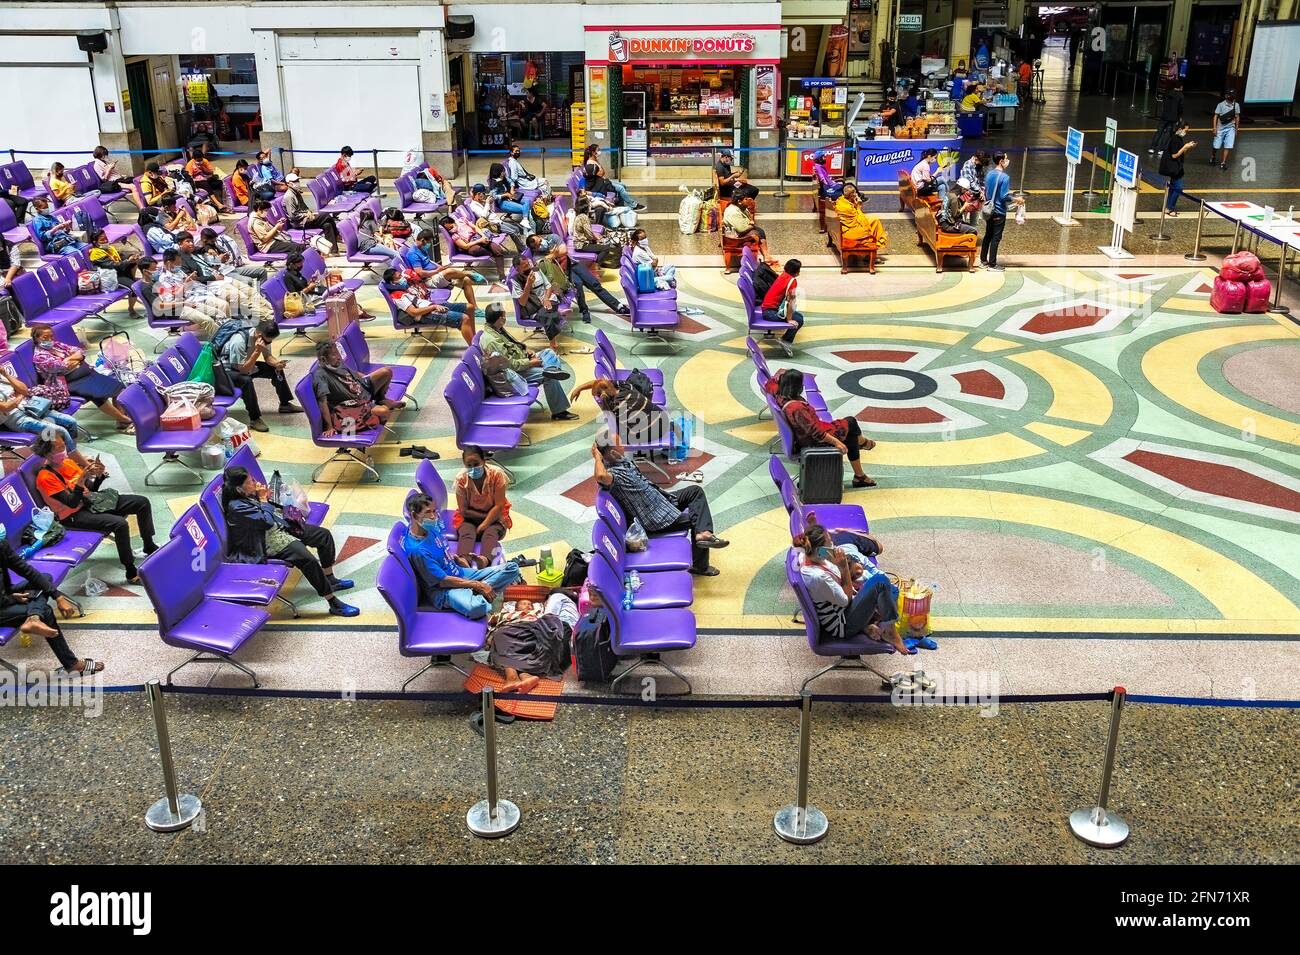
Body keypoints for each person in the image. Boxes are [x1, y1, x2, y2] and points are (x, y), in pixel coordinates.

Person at [221, 466, 358, 616]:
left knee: (323, 536)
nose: (255, 482)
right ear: (239, 489)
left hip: (279, 527)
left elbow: (268, 513)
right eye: (250, 481)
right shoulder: (236, 507)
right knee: (308, 559)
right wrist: (263, 499)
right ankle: (332, 602)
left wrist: (269, 496)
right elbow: (265, 522)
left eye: (252, 478)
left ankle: (330, 578)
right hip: (265, 541)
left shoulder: (248, 494)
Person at [592, 432, 728, 576]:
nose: (624, 446)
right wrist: (597, 456)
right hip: (656, 519)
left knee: (695, 491)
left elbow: (604, 451)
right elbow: (600, 476)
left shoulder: (619, 460)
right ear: (613, 453)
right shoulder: (615, 474)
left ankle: (703, 534)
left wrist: (598, 451)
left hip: (662, 502)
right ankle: (701, 563)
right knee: (698, 519)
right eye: (620, 444)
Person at [32, 435, 157, 583]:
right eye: (59, 448)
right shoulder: (45, 478)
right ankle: (130, 571)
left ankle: (148, 545)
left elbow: (90, 490)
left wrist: (99, 476)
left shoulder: (68, 463)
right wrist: (80, 482)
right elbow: (71, 503)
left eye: (64, 445)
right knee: (119, 524)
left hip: (89, 502)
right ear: (48, 454)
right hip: (72, 516)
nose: (64, 450)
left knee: (142, 502)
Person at [794, 522, 908, 654]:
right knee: (881, 582)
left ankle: (870, 624)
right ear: (820, 551)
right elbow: (846, 600)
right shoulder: (818, 577)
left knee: (892, 589)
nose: (833, 546)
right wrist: (844, 568)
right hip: (843, 624)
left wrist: (813, 524)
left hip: (844, 606)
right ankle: (889, 631)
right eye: (830, 543)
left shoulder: (808, 555)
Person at [403, 493, 522, 619]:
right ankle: (478, 590)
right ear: (414, 515)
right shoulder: (418, 550)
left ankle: (478, 591)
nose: (433, 516)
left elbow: (441, 549)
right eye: (428, 512)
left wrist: (457, 560)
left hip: (460, 572)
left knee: (512, 568)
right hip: (445, 590)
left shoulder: (431, 527)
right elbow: (442, 582)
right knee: (477, 607)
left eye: (434, 511)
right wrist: (476, 584)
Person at [0, 532, 99, 675]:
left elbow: (26, 570)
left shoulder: (1, 545)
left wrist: (57, 596)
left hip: (4, 595)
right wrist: (12, 599)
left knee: (44, 579)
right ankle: (72, 664)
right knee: (45, 611)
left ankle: (33, 617)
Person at [768, 369, 876, 488]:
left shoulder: (779, 395)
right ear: (797, 386)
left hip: (804, 435)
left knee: (851, 430)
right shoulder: (797, 409)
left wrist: (782, 375)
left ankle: (860, 469)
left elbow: (768, 385)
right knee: (851, 429)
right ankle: (863, 448)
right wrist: (837, 443)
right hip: (813, 441)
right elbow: (816, 432)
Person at [29, 323, 134, 431]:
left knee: (119, 387)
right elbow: (62, 366)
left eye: (51, 336)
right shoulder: (40, 356)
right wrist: (75, 360)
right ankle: (125, 420)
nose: (50, 339)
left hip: (87, 374)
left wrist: (70, 360)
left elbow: (79, 351)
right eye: (45, 337)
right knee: (97, 395)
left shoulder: (56, 345)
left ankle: (121, 421)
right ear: (37, 339)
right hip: (68, 383)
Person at [480, 302, 575, 421]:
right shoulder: (492, 341)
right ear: (500, 319)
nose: (505, 318)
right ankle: (559, 412)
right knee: (548, 377)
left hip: (521, 361)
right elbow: (509, 365)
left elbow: (513, 346)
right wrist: (530, 363)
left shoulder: (496, 329)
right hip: (511, 375)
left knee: (548, 353)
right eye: (504, 315)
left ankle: (551, 369)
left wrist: (526, 351)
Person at [218, 318, 301, 432]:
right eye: (267, 341)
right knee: (246, 381)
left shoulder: (264, 339)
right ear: (259, 335)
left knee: (275, 369)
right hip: (227, 372)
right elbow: (243, 370)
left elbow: (268, 357)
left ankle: (285, 404)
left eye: (270, 342)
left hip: (246, 364)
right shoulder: (239, 341)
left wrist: (276, 364)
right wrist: (257, 351)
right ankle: (255, 418)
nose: (268, 343)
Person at [311, 340, 403, 437]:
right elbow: (322, 402)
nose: (338, 356)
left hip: (361, 387)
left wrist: (370, 380)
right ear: (323, 359)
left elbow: (356, 374)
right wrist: (329, 426)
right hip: (355, 403)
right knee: (384, 412)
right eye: (334, 354)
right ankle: (374, 413)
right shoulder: (320, 376)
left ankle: (382, 400)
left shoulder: (337, 363)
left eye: (338, 352)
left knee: (386, 371)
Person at [0, 365, 88, 466]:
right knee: (60, 430)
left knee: (71, 421)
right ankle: (83, 463)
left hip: (31, 408)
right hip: (17, 419)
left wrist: (6, 374)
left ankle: (71, 455)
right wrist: (19, 396)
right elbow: (7, 407)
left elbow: (24, 389)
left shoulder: (2, 377)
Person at [526, 236, 626, 321]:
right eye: (537, 246)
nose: (540, 245)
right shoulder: (537, 256)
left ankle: (618, 306)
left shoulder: (553, 237)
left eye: (540, 241)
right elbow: (545, 264)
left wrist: (551, 256)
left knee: (594, 284)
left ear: (540, 237)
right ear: (534, 249)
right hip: (563, 273)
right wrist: (554, 255)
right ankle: (584, 310)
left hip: (573, 264)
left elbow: (564, 251)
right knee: (578, 285)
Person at [176, 233, 272, 321]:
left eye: (192, 241)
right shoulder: (181, 260)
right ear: (180, 244)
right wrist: (214, 278)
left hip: (223, 278)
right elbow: (194, 279)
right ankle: (267, 318)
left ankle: (271, 311)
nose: (191, 244)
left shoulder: (195, 251)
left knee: (251, 292)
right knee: (242, 298)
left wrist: (211, 252)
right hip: (212, 285)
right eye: (187, 242)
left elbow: (204, 248)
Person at [451, 445, 512, 570]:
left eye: (476, 463)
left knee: (490, 533)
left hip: (495, 516)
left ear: (484, 461)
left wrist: (485, 524)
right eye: (469, 465)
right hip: (469, 517)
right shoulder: (461, 480)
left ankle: (484, 560)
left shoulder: (497, 475)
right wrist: (484, 519)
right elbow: (464, 511)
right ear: (464, 464)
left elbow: (499, 505)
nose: (473, 468)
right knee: (467, 533)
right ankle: (464, 560)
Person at [382, 267, 473, 344]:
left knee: (470, 307)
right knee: (464, 318)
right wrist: (433, 307)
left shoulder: (406, 287)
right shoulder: (398, 295)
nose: (403, 277)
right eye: (399, 277)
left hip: (429, 305)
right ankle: (474, 349)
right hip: (423, 314)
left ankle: (473, 337)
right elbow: (414, 312)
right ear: (392, 283)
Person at [400, 229, 482, 313]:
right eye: (429, 242)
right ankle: (468, 273)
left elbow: (429, 262)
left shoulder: (421, 249)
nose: (429, 244)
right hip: (428, 281)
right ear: (423, 240)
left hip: (436, 274)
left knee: (466, 280)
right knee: (449, 272)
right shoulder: (413, 254)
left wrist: (440, 267)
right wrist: (437, 270)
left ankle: (475, 309)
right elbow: (420, 273)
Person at [569, 376, 667, 445]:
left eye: (598, 396)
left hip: (656, 430)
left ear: (604, 393)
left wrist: (604, 400)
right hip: (662, 418)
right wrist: (579, 388)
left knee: (607, 441)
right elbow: (600, 382)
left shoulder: (619, 406)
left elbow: (610, 416)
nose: (598, 399)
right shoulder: (624, 385)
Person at [507, 254, 570, 352]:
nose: (529, 268)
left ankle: (556, 315)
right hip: (533, 308)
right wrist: (528, 285)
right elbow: (522, 303)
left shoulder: (536, 270)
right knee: (548, 316)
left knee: (548, 308)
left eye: (528, 264)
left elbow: (548, 286)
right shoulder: (515, 281)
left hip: (548, 300)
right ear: (517, 269)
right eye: (525, 267)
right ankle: (557, 317)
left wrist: (546, 298)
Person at [980, 152, 1021, 271]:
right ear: (1001, 162)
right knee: (996, 238)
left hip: (989, 210)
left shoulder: (989, 174)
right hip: (999, 211)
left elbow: (987, 190)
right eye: (1006, 159)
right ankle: (992, 265)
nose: (1008, 161)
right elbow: (1004, 197)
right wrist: (1016, 199)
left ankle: (983, 261)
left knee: (988, 235)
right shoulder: (1005, 177)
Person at [282, 173, 340, 253]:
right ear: (289, 184)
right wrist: (306, 215)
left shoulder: (297, 193)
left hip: (306, 218)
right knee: (325, 215)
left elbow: (304, 207)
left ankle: (333, 251)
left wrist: (309, 212)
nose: (297, 182)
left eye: (297, 180)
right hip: (300, 222)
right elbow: (293, 215)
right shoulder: (289, 197)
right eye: (295, 181)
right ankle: (337, 234)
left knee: (327, 225)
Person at [87, 229, 142, 313]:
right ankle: (131, 309)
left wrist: (131, 257)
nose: (105, 240)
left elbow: (122, 257)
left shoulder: (110, 248)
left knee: (134, 262)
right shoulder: (95, 254)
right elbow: (111, 265)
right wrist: (127, 261)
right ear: (95, 242)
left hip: (118, 271)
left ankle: (131, 278)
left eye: (106, 238)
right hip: (110, 277)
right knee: (134, 287)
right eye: (102, 239)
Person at [759, 259, 805, 356]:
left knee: (798, 316)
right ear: (797, 270)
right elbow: (790, 302)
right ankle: (785, 341)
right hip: (770, 313)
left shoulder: (783, 275)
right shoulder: (792, 281)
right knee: (799, 319)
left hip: (767, 309)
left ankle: (785, 340)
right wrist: (789, 320)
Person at [581, 145, 646, 211]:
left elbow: (602, 172)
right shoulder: (590, 163)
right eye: (598, 150)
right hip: (600, 184)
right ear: (593, 152)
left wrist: (601, 169)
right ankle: (633, 205)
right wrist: (601, 170)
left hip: (603, 180)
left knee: (622, 185)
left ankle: (620, 205)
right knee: (621, 188)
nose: (599, 151)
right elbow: (601, 174)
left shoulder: (595, 160)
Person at [439, 214, 507, 275]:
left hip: (480, 237)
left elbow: (475, 227)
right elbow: (465, 246)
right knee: (474, 250)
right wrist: (479, 241)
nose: (451, 230)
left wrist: (483, 236)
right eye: (449, 229)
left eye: (451, 227)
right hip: (472, 245)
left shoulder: (462, 221)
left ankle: (501, 274)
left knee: (498, 250)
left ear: (453, 222)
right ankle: (490, 253)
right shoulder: (455, 236)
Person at [199, 226, 267, 284]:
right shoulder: (203, 253)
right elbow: (211, 271)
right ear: (205, 240)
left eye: (215, 240)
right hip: (224, 273)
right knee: (248, 281)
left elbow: (226, 260)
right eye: (212, 241)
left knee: (262, 271)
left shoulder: (215, 246)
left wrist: (225, 258)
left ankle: (261, 294)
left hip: (231, 268)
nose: (214, 242)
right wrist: (218, 260)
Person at [723, 194, 776, 265]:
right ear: (739, 201)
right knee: (756, 233)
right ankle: (766, 256)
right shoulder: (733, 212)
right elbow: (741, 230)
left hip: (741, 230)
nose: (747, 200)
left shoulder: (741, 207)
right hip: (736, 237)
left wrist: (751, 223)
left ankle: (766, 256)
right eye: (745, 199)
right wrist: (752, 225)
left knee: (760, 231)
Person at [833, 183, 887, 249]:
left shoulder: (841, 199)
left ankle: (879, 240)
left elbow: (854, 215)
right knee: (874, 223)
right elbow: (862, 221)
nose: (857, 194)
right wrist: (859, 207)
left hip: (846, 226)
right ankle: (875, 243)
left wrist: (855, 203)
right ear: (851, 195)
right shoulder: (847, 208)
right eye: (855, 193)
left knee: (875, 220)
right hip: (850, 231)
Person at [1159, 121, 1196, 216]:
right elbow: (1174, 155)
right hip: (1175, 168)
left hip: (1176, 168)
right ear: (1180, 129)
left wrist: (1187, 147)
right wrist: (1185, 147)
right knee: (1178, 188)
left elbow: (1180, 152)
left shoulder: (1177, 137)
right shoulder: (1175, 139)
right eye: (1185, 130)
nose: (1186, 132)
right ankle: (1169, 208)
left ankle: (1167, 207)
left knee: (1173, 187)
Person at [183, 147, 228, 211]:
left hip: (206, 178)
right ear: (194, 159)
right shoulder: (190, 165)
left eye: (201, 160)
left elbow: (211, 172)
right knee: (206, 184)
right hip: (197, 182)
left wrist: (203, 168)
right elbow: (190, 179)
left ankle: (221, 202)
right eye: (198, 160)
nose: (200, 161)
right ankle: (218, 204)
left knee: (218, 183)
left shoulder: (205, 161)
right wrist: (200, 179)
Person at [1149, 80, 1184, 155]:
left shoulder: (1167, 92)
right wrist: (1179, 117)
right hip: (1173, 118)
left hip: (1164, 115)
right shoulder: (1180, 95)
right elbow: (1180, 108)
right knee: (1167, 133)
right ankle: (1161, 150)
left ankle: (1152, 148)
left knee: (1159, 131)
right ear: (1180, 87)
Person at [1212, 90, 1240, 171]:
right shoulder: (1220, 105)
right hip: (1220, 128)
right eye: (1230, 95)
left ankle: (1223, 162)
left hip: (1231, 128)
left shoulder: (1236, 105)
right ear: (1226, 96)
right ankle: (1213, 156)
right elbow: (1215, 116)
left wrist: (1236, 129)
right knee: (1216, 145)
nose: (1232, 97)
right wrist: (1214, 128)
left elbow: (1237, 117)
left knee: (1228, 146)